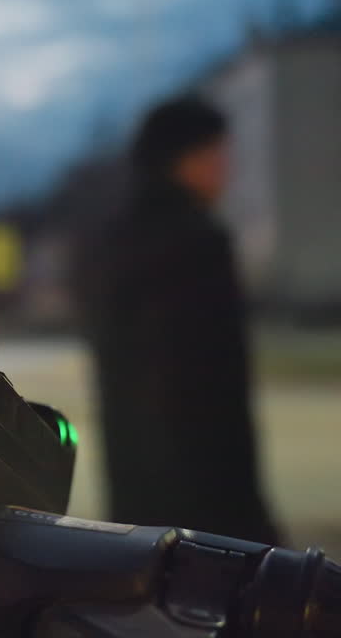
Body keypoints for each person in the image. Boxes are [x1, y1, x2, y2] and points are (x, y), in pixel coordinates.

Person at [71, 94, 280, 545]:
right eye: (218, 155)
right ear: (183, 159)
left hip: (136, 484)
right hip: (207, 491)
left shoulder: (113, 242)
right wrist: (251, 515)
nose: (227, 169)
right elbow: (217, 384)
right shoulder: (198, 242)